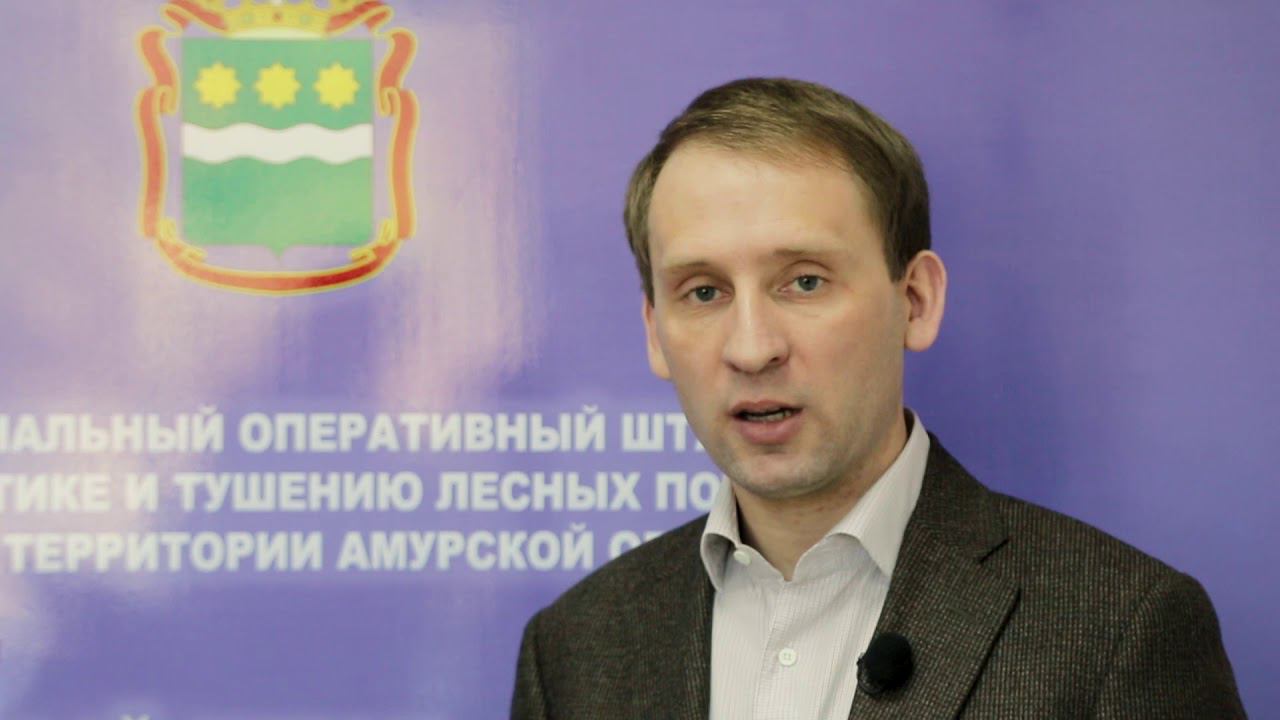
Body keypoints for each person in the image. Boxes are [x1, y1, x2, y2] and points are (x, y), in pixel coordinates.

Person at [510, 78, 1244, 719]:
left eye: (804, 281)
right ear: (654, 332)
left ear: (916, 300)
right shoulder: (575, 646)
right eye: (703, 292)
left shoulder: (1118, 628)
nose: (752, 348)